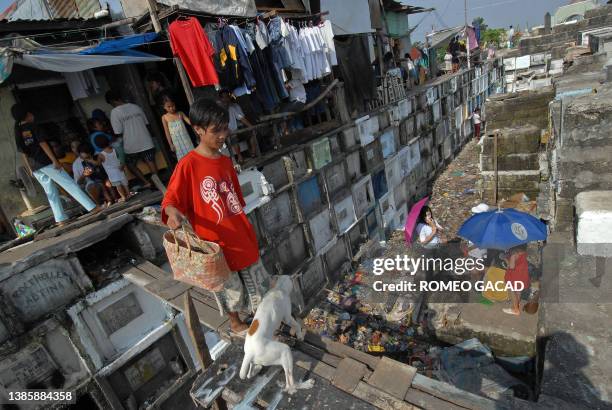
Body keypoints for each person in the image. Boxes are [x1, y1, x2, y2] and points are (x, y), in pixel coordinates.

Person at [162, 99, 271, 334]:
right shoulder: (187, 165)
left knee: (256, 281)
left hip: (239, 230)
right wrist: (172, 213)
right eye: (216, 130)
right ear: (198, 129)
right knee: (228, 286)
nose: (223, 135)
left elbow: (236, 200)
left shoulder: (225, 161)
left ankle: (259, 320)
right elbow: (171, 200)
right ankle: (235, 322)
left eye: (225, 128)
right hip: (215, 240)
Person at [12, 104, 99, 225]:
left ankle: (61, 219)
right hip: (46, 162)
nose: (33, 115)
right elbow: (43, 144)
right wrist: (54, 160)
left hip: (35, 166)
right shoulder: (33, 126)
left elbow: (23, 152)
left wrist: (29, 168)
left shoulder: (18, 131)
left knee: (50, 192)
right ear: (27, 114)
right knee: (69, 184)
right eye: (31, 113)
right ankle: (92, 207)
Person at [105, 90, 157, 190]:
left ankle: (147, 182)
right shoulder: (135, 107)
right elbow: (147, 123)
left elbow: (118, 132)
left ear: (112, 101)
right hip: (146, 140)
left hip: (131, 145)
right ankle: (157, 182)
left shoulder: (115, 112)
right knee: (150, 161)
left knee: (129, 164)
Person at [219, 89, 257, 164]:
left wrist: (251, 127)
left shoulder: (232, 107)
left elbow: (241, 118)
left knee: (251, 133)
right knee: (233, 137)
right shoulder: (218, 111)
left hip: (237, 129)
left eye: (227, 97)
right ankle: (240, 157)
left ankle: (253, 153)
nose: (226, 99)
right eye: (224, 97)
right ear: (221, 99)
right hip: (228, 134)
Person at [160, 94, 194, 161]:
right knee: (182, 160)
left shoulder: (180, 113)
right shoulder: (164, 117)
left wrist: (198, 122)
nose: (171, 108)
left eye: (173, 106)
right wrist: (170, 144)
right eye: (168, 107)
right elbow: (167, 132)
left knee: (192, 155)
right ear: (164, 107)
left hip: (186, 139)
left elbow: (190, 122)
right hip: (176, 143)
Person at [96, 137, 130, 202]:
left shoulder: (101, 155)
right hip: (119, 169)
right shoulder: (114, 149)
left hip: (112, 174)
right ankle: (128, 194)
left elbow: (98, 163)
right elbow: (119, 157)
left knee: (118, 186)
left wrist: (91, 160)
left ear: (98, 145)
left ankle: (123, 197)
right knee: (125, 184)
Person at [502, 244, 530, 316]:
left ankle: (515, 309)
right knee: (518, 290)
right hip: (522, 274)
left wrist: (505, 259)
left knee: (512, 290)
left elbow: (511, 266)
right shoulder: (524, 253)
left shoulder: (513, 254)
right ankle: (516, 305)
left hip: (514, 276)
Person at [281, 71, 307, 136]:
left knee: (283, 110)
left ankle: (285, 130)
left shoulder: (295, 81)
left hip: (299, 102)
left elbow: (287, 88)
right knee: (291, 117)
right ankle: (288, 131)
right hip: (297, 102)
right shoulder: (293, 81)